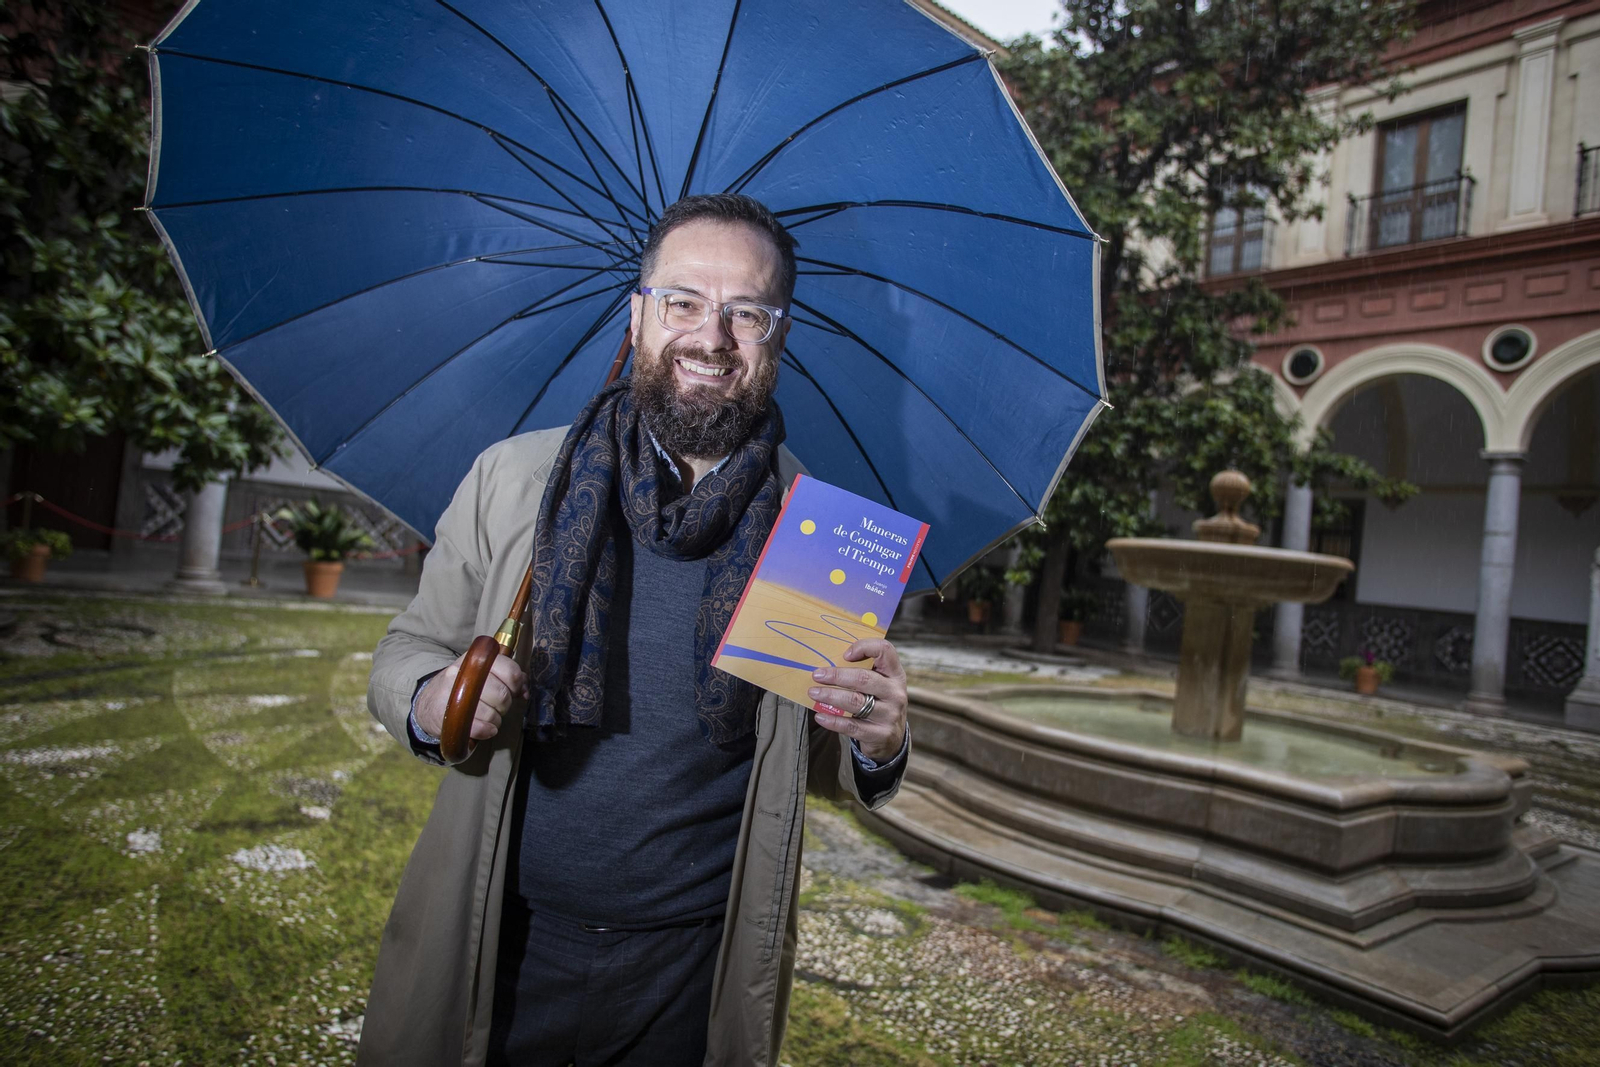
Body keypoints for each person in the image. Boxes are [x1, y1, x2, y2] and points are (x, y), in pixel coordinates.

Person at [358, 194, 910, 1067]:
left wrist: (876, 741)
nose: (711, 336)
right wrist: (432, 700)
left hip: (690, 973)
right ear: (638, 313)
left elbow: (809, 761)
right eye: (683, 301)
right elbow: (404, 651)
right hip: (502, 936)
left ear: (779, 334)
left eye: (746, 313)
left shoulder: (823, 536)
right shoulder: (514, 480)